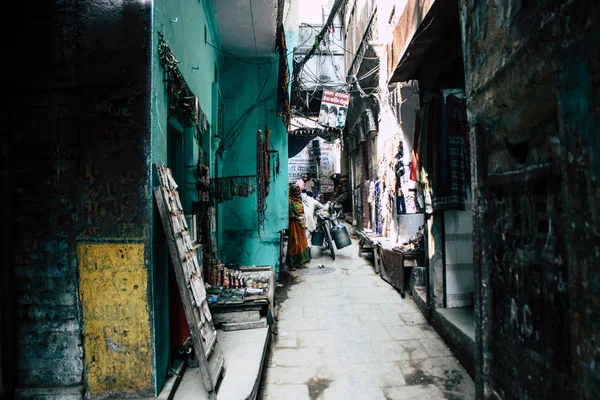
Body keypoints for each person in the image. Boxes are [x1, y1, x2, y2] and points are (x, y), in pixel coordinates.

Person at [287, 185, 310, 270]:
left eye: (298, 191)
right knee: (294, 244)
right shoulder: (289, 201)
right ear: (292, 191)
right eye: (295, 191)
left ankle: (298, 262)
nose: (297, 193)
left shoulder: (299, 200)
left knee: (301, 244)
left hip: (301, 225)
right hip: (293, 225)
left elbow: (302, 211)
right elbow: (286, 214)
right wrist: (295, 217)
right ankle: (291, 264)